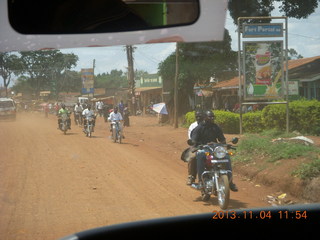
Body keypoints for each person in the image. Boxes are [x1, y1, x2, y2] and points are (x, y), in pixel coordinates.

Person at [191, 110, 238, 192]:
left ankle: (230, 182)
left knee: (226, 156)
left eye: (213, 117)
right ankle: (201, 181)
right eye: (210, 117)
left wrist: (225, 144)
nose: (212, 118)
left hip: (214, 149)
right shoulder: (199, 128)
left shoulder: (216, 127)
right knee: (200, 156)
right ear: (205, 118)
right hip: (203, 149)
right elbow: (193, 141)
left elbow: (222, 140)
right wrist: (197, 146)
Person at [185, 110, 204, 185]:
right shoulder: (193, 126)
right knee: (192, 157)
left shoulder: (208, 125)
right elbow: (191, 139)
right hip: (196, 146)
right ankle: (191, 176)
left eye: (200, 116)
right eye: (197, 116)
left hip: (208, 146)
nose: (199, 117)